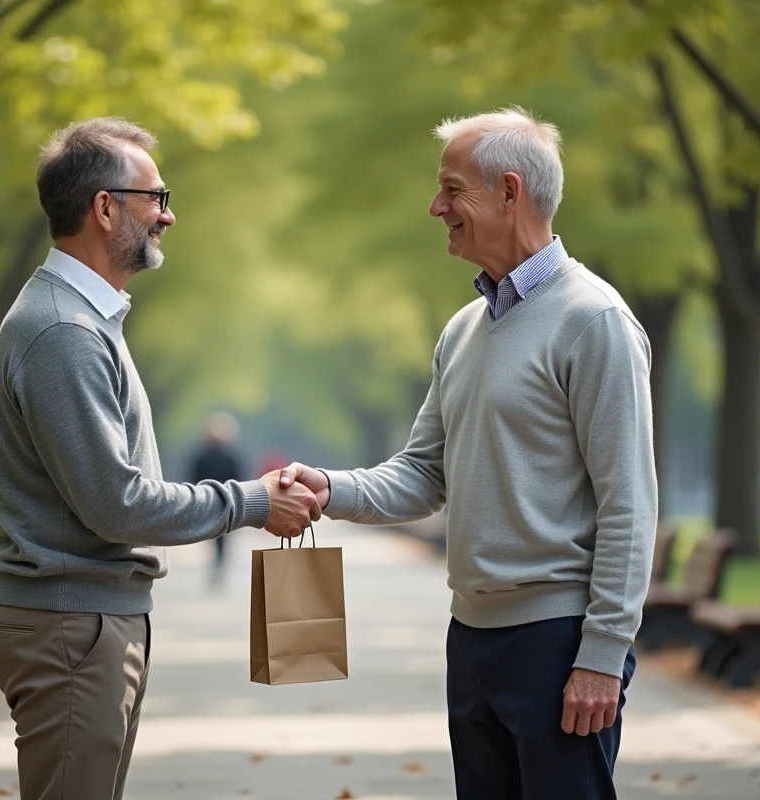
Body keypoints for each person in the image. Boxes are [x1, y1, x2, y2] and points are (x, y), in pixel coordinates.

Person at [280, 107, 657, 799]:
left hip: (558, 639)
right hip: (472, 637)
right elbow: (424, 472)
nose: (436, 207)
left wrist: (603, 654)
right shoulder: (463, 330)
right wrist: (329, 487)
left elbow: (628, 501)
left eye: (452, 190)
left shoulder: (593, 321)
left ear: (509, 192)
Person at [0, 117, 321, 800]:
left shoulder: (82, 320)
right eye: (155, 197)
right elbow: (118, 503)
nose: (169, 214)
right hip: (72, 629)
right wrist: (254, 501)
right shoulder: (63, 332)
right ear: (105, 209)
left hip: (85, 622)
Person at [189, 411, 246, 585]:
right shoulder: (231, 457)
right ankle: (220, 564)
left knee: (211, 536)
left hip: (206, 502)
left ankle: (215, 564)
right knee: (224, 537)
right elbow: (239, 479)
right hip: (228, 503)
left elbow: (194, 478)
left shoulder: (201, 456)